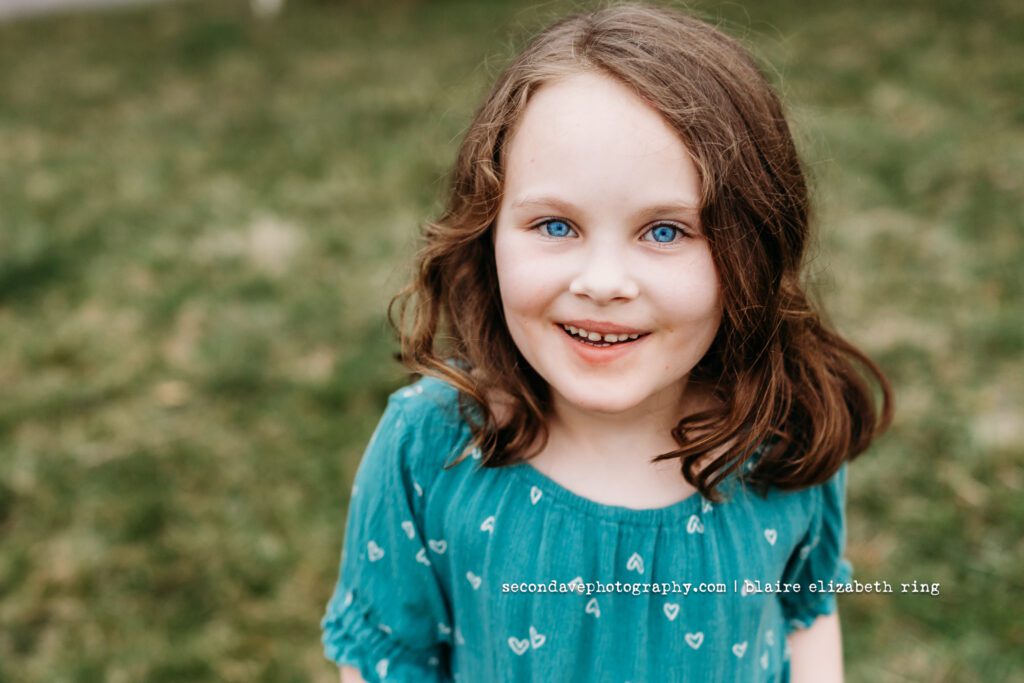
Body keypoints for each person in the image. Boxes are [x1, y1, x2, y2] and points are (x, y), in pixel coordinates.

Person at [320, 4, 893, 682]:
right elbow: (388, 657)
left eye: (665, 231)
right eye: (556, 225)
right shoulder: (431, 446)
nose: (602, 282)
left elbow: (805, 611)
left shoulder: (785, 432)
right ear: (487, 230)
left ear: (753, 249)